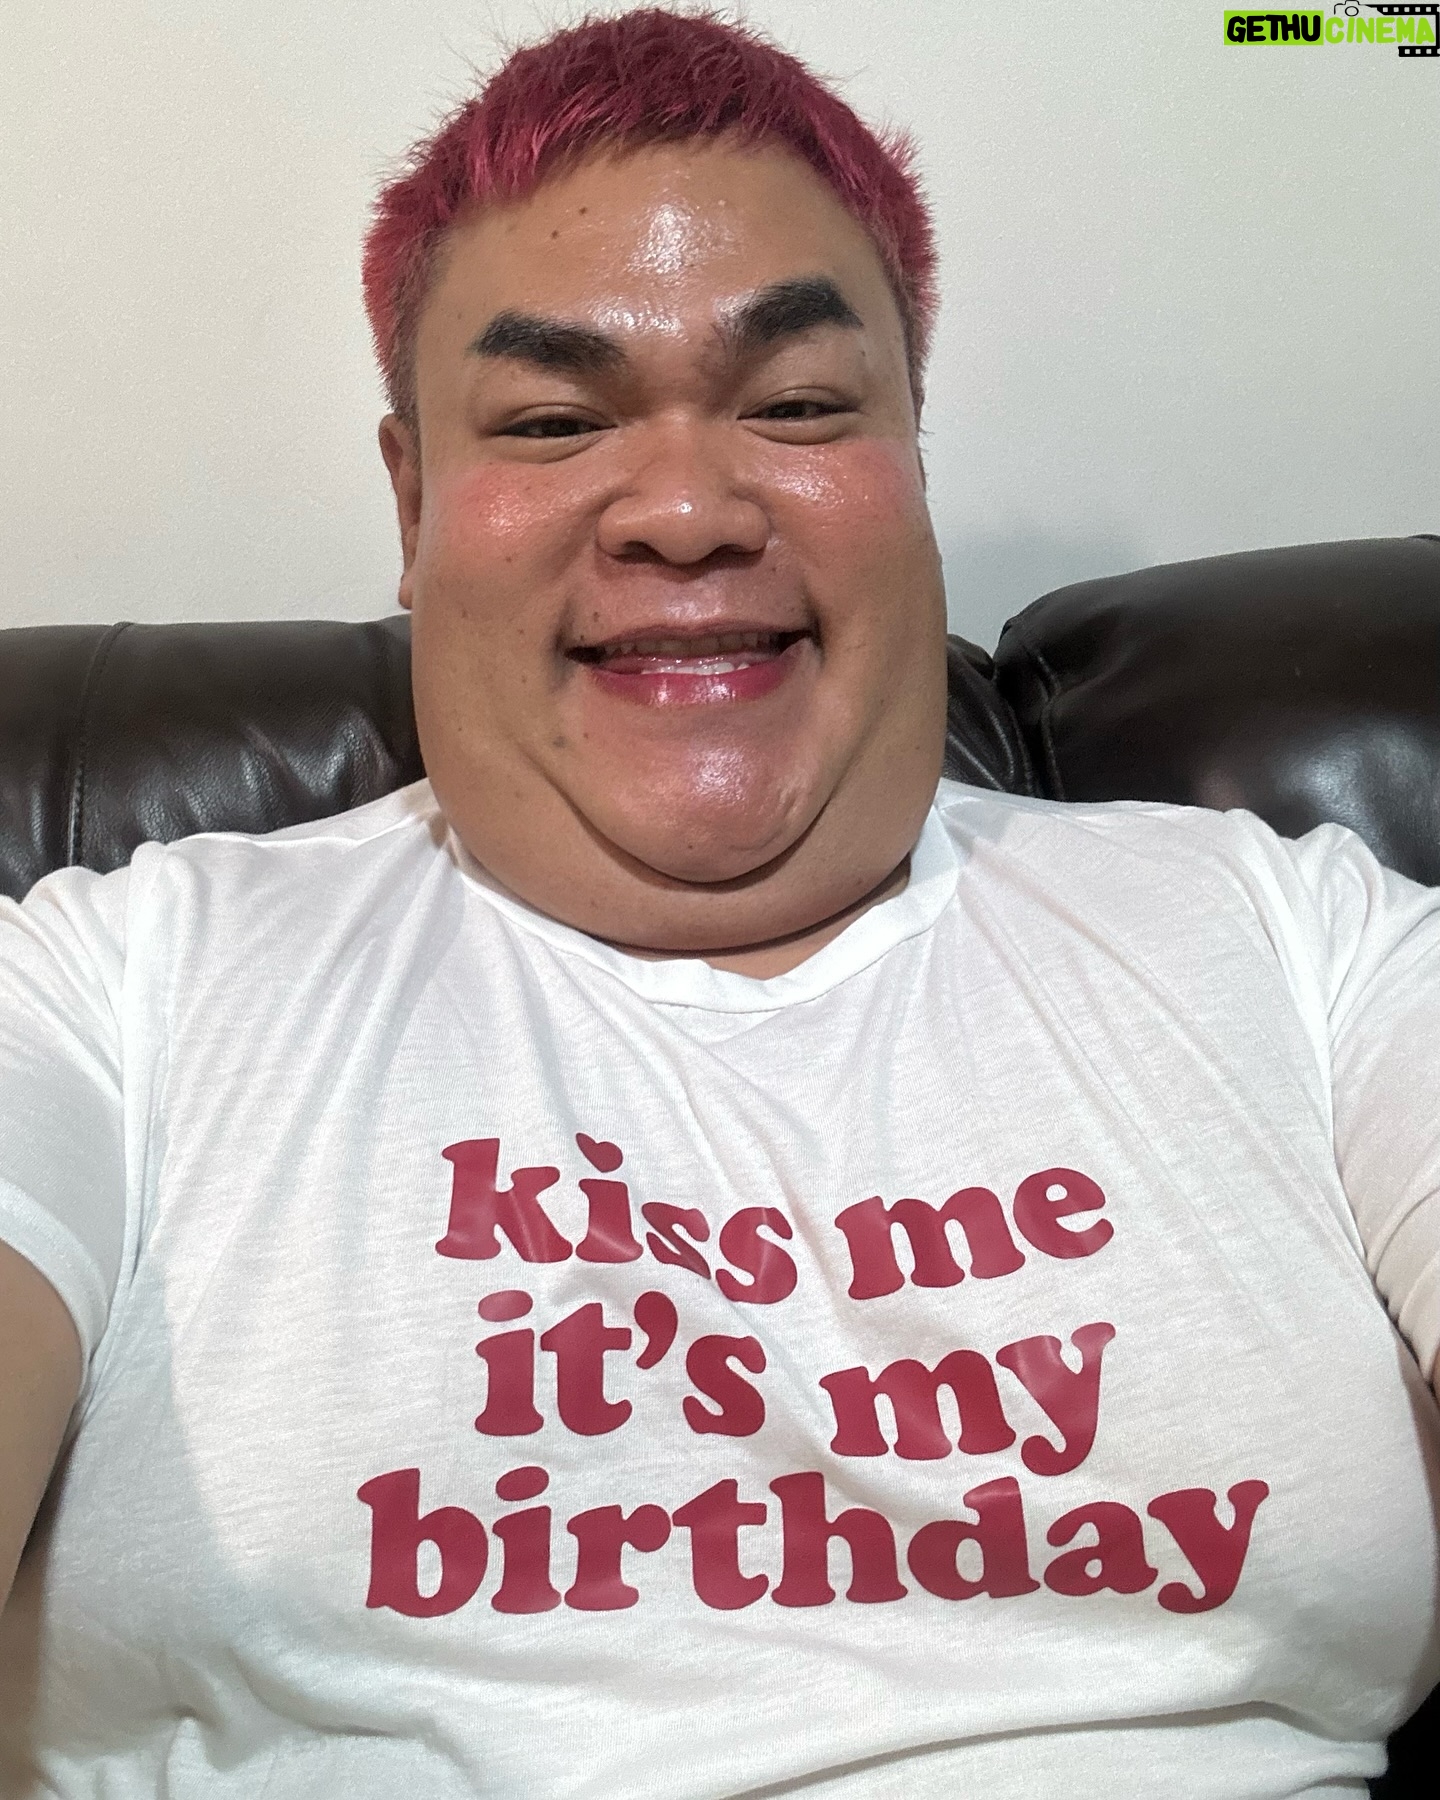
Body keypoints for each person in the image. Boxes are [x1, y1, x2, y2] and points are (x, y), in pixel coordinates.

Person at [1, 9, 1437, 1797]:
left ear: (911, 456)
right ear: (413, 499)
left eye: (799, 404)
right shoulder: (109, 988)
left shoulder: (1300, 947)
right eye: (551, 419)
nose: (683, 510)